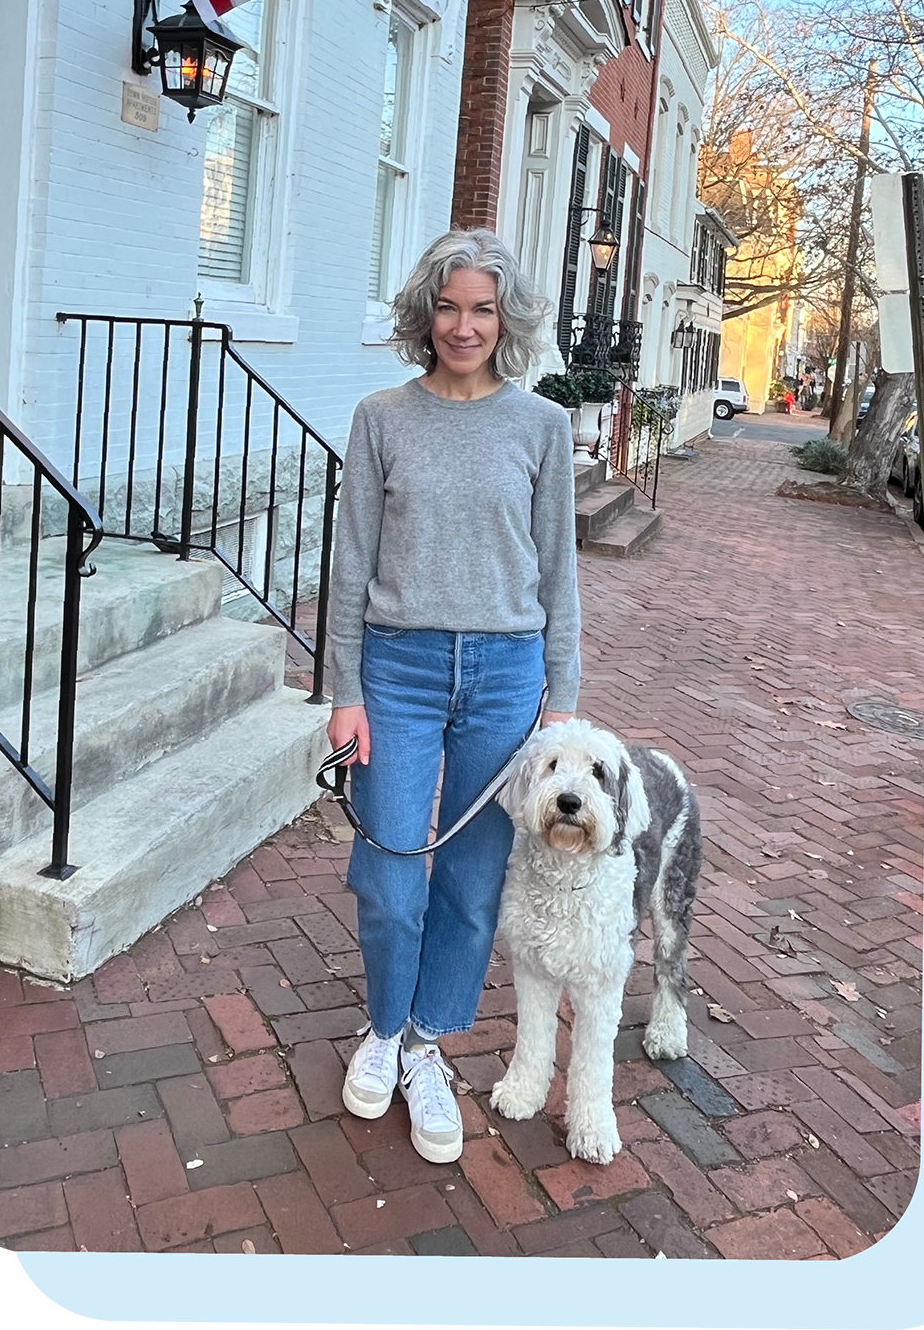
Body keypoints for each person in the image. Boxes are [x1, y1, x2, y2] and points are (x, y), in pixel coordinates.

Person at [325, 229, 580, 1163]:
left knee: (472, 885)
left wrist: (564, 696)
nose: (463, 325)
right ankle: (383, 1028)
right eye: (447, 306)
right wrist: (343, 689)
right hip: (396, 670)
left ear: (505, 320)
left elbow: (559, 572)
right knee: (392, 877)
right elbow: (350, 567)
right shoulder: (381, 417)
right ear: (422, 313)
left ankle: (429, 1043)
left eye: (482, 308)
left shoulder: (541, 426)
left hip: (509, 679)